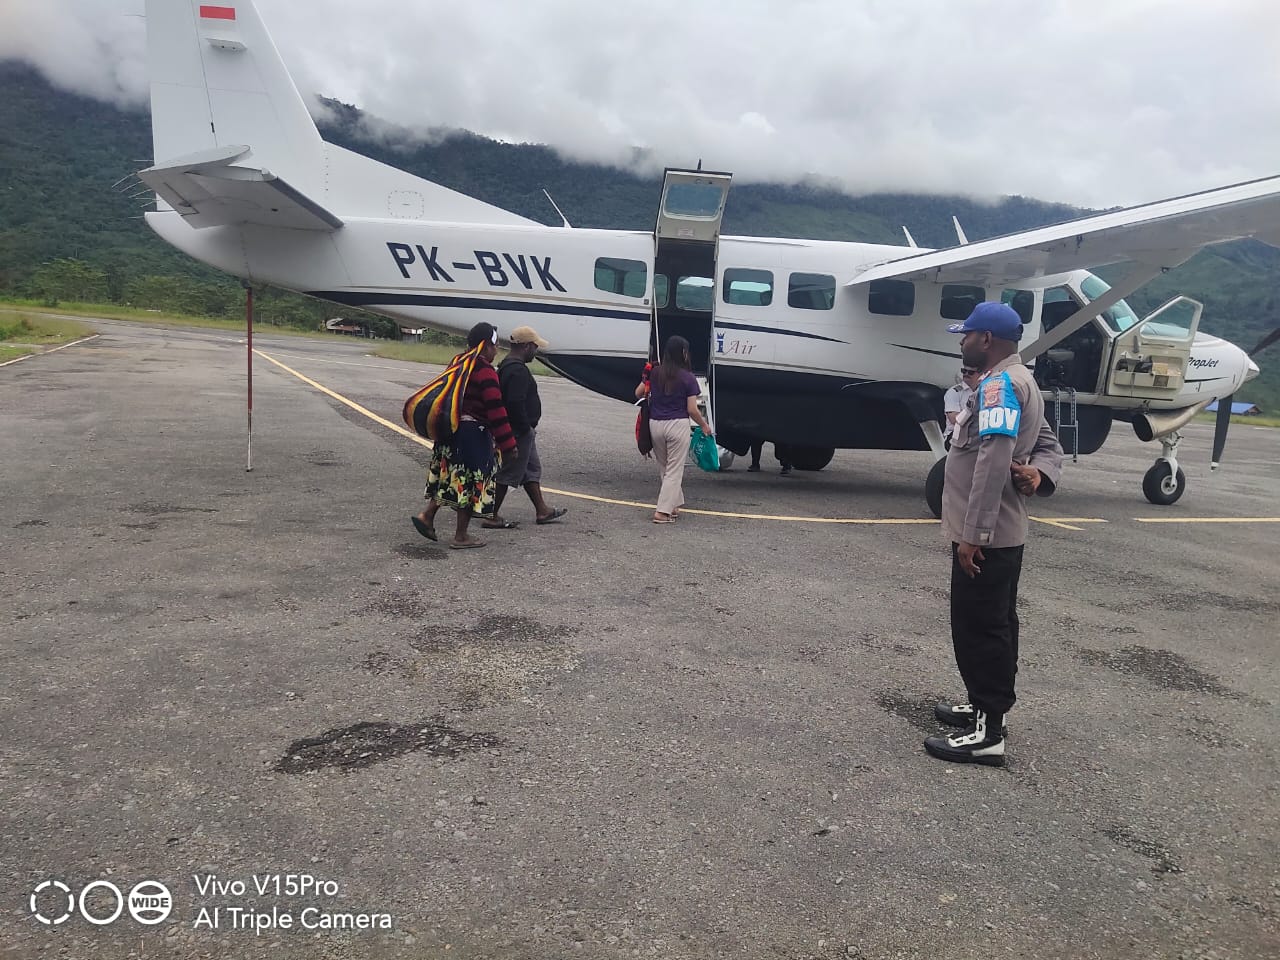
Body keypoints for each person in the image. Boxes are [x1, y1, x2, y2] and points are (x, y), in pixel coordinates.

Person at [925, 301, 1064, 766]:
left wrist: (974, 535)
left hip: (987, 535)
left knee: (980, 629)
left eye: (966, 334)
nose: (961, 341)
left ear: (986, 339)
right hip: (1000, 532)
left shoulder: (1001, 385)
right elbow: (1047, 445)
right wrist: (1039, 476)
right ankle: (984, 707)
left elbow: (990, 462)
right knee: (995, 624)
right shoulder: (1013, 381)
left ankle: (988, 734)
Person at [411, 322, 518, 549]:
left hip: (450, 431)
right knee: (470, 484)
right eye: (495, 345)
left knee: (449, 477)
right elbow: (496, 409)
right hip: (472, 436)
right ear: (486, 345)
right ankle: (461, 537)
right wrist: (508, 444)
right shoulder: (484, 370)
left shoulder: (459, 362)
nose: (496, 351)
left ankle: (427, 516)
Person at [488, 325, 567, 529]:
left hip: (521, 430)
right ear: (526, 347)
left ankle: (542, 510)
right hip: (518, 430)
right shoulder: (518, 370)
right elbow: (515, 403)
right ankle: (491, 514)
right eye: (534, 346)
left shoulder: (506, 365)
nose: (536, 351)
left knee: (531, 469)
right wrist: (524, 428)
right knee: (509, 472)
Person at [635, 335, 712, 523]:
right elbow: (692, 409)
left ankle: (674, 505)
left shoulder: (655, 373)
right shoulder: (688, 378)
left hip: (655, 424)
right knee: (674, 470)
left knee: (665, 467)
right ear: (684, 353)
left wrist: (648, 374)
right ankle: (662, 512)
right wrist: (704, 425)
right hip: (677, 424)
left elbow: (638, 393)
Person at [942, 365, 981, 445]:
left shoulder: (983, 391)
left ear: (979, 374)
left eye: (971, 372)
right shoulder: (954, 392)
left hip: (976, 432)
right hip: (955, 433)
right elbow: (954, 419)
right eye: (964, 371)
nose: (966, 374)